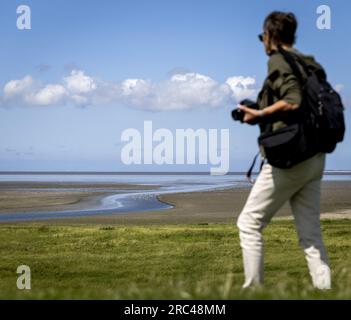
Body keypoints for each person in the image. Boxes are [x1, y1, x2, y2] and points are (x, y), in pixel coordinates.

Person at [236, 11, 331, 290]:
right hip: (316, 156)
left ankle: (253, 290)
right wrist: (261, 109)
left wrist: (259, 114)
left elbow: (292, 100)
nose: (262, 42)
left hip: (292, 159)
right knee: (310, 234)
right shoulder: (308, 63)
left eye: (262, 37)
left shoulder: (278, 59)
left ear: (271, 36)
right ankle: (325, 291)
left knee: (248, 223)